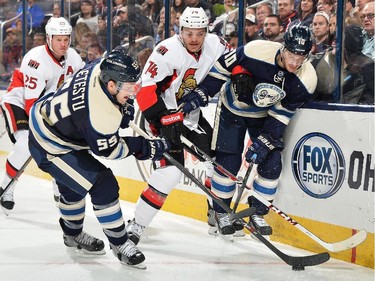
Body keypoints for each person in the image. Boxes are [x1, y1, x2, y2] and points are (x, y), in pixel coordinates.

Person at [27, 48, 170, 268]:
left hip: (53, 122)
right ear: (111, 85)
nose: (133, 92)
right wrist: (146, 148)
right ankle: (120, 243)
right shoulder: (100, 114)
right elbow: (110, 150)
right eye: (129, 87)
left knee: (73, 186)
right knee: (103, 183)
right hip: (51, 145)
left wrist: (123, 106)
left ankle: (72, 234)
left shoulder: (100, 67)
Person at [193, 24, 317, 237]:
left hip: (264, 117)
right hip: (233, 109)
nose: (295, 62)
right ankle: (221, 212)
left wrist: (265, 141)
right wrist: (203, 93)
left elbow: (280, 116)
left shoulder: (306, 80)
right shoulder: (256, 50)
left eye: (301, 57)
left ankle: (257, 212)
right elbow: (222, 67)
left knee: (271, 163)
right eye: (291, 54)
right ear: (283, 47)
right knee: (228, 162)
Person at [125, 7, 231, 245]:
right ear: (180, 30)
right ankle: (137, 225)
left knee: (218, 161)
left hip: (188, 115)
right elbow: (145, 90)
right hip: (159, 116)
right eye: (189, 33)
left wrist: (241, 74)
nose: (194, 39)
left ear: (206, 32)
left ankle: (216, 213)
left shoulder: (216, 45)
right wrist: (162, 119)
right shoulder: (166, 52)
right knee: (169, 173)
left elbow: (235, 60)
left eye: (199, 33)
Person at [0, 17, 85, 211]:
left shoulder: (74, 58)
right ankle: (7, 186)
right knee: (26, 144)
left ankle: (59, 186)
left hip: (50, 108)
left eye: (66, 39)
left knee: (61, 145)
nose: (63, 44)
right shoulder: (36, 60)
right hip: (19, 102)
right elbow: (32, 105)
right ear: (48, 38)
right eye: (58, 40)